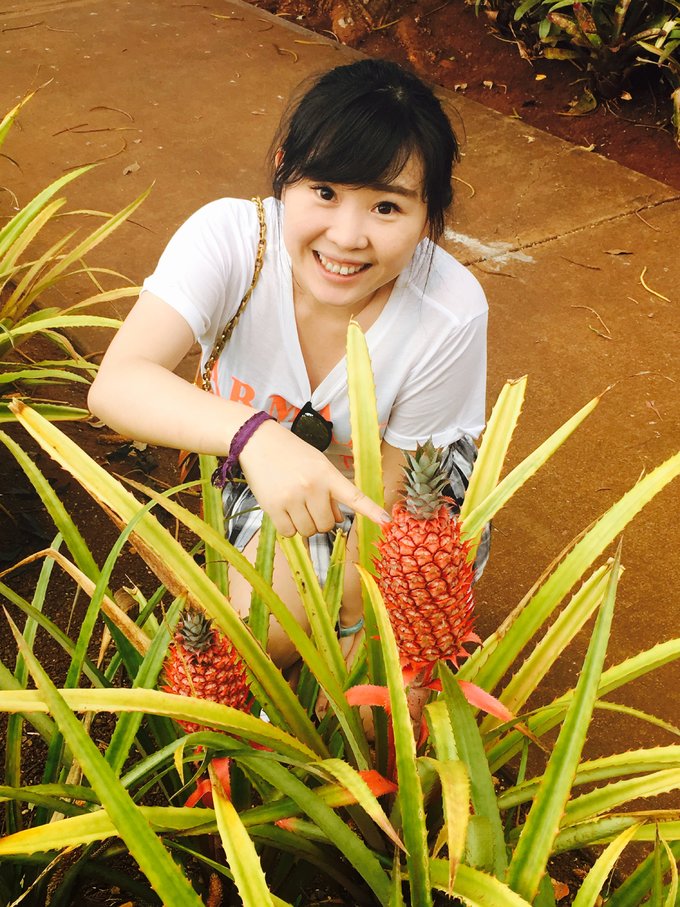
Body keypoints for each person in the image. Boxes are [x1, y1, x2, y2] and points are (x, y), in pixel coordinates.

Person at [88, 57, 488, 675]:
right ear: (283, 169)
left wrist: (360, 623)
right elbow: (116, 384)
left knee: (346, 650)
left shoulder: (448, 311)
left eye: (387, 207)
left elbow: (398, 501)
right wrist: (255, 435)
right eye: (324, 193)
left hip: (394, 492)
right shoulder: (231, 238)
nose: (347, 237)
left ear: (430, 212)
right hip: (264, 465)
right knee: (245, 643)